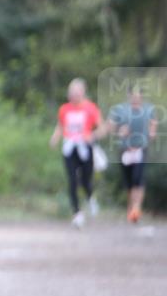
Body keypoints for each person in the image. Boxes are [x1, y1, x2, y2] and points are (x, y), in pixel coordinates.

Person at [49, 78, 104, 228]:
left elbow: (102, 128)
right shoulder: (64, 109)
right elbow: (60, 126)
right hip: (70, 148)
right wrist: (55, 138)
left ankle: (91, 198)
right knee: (72, 180)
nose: (73, 96)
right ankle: (77, 213)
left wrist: (92, 136)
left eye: (76, 93)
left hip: (85, 148)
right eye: (71, 93)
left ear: (83, 93)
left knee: (86, 181)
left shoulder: (90, 108)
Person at [104, 87, 157, 223]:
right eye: (133, 96)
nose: (135, 99)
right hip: (125, 150)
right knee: (129, 182)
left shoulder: (148, 110)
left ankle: (136, 208)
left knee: (138, 179)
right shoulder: (120, 110)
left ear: (142, 97)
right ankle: (131, 208)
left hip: (140, 149)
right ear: (128, 96)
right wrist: (119, 131)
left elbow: (153, 125)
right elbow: (109, 127)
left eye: (138, 96)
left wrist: (151, 133)